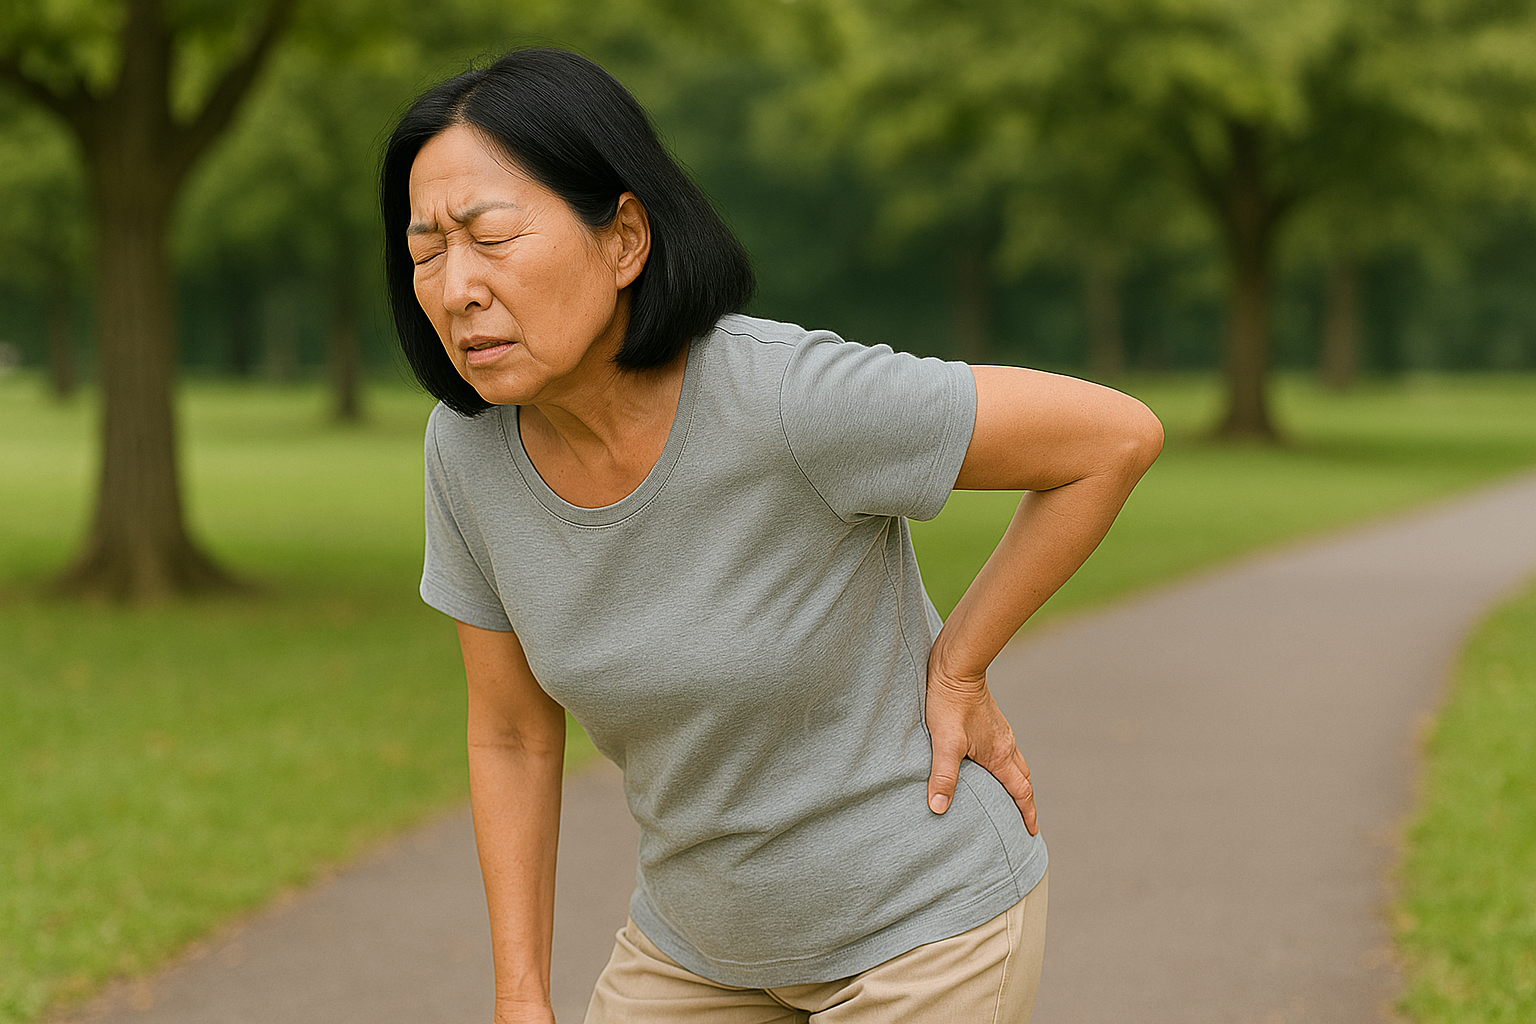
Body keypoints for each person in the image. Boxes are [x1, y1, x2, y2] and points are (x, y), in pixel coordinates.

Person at [381, 47, 1162, 1024]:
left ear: (625, 239)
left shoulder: (786, 398)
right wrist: (518, 994)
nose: (456, 287)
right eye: (426, 251)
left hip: (923, 931)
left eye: (490, 237)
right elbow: (510, 732)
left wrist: (958, 664)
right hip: (698, 950)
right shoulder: (469, 454)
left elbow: (1112, 439)